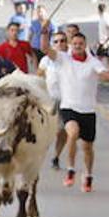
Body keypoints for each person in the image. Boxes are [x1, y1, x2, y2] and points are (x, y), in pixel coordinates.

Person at [43, 30, 109, 192]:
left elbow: (107, 77)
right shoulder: (63, 59)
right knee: (72, 133)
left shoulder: (92, 62)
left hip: (88, 110)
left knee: (88, 148)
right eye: (74, 44)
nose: (77, 46)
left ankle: (88, 175)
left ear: (85, 45)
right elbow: (45, 48)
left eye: (80, 44)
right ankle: (70, 169)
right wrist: (44, 32)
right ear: (70, 45)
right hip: (68, 107)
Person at [38, 30, 69, 168]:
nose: (59, 43)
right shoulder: (45, 60)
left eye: (62, 40)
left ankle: (56, 157)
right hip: (50, 100)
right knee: (47, 131)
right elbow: (39, 78)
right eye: (56, 41)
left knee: (62, 132)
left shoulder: (70, 58)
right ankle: (38, 154)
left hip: (67, 101)